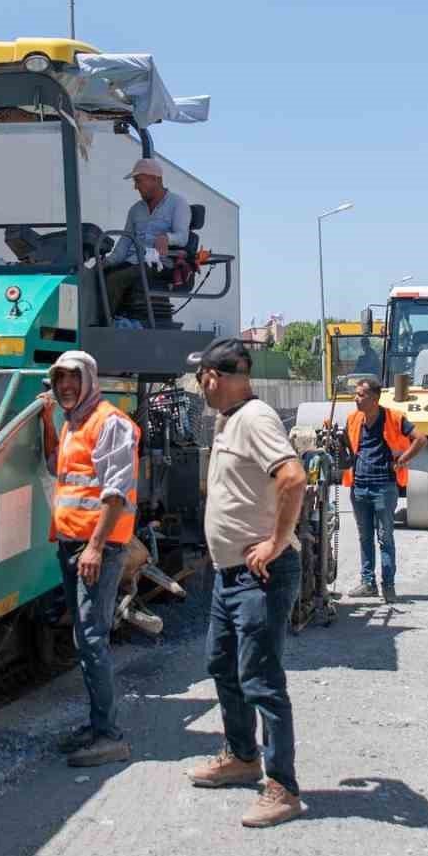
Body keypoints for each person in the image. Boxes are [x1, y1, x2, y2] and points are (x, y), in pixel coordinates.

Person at [185, 337, 310, 828]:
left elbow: (293, 478)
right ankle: (242, 757)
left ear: (213, 377)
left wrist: (277, 542)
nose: (202, 390)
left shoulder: (254, 419)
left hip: (260, 575)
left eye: (203, 381)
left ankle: (283, 788)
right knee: (223, 663)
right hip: (230, 575)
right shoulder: (231, 419)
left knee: (261, 679)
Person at [40, 351, 141, 764]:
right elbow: (55, 467)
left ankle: (110, 735)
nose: (65, 386)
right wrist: (47, 422)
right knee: (85, 638)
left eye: (72, 378)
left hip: (94, 548)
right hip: (72, 544)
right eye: (59, 379)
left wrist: (97, 546)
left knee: (93, 639)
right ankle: (98, 726)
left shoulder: (109, 422)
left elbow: (116, 491)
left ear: (88, 380)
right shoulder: (74, 423)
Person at [343, 377, 428, 602]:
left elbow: (420, 439)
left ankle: (388, 586)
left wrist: (402, 461)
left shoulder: (394, 418)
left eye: (361, 394)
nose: (356, 398)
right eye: (356, 394)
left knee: (384, 538)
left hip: (384, 487)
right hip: (359, 487)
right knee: (364, 537)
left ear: (374, 398)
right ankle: (368, 583)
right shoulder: (353, 419)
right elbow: (346, 449)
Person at [102, 157, 191, 320]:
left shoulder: (178, 204)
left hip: (160, 264)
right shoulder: (135, 210)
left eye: (138, 181)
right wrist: (105, 263)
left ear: (155, 180)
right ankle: (114, 319)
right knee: (97, 276)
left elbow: (183, 237)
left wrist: (167, 238)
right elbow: (123, 244)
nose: (135, 187)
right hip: (134, 262)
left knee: (115, 279)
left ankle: (106, 325)